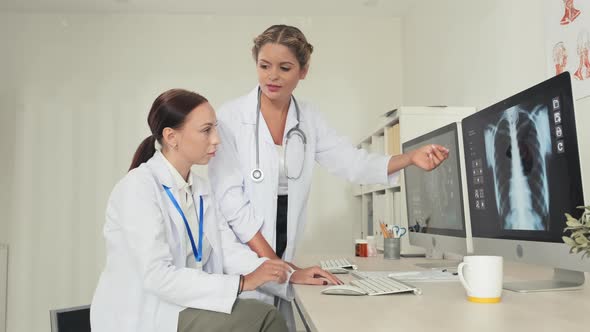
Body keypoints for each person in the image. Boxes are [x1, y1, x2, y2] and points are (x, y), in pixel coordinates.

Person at [208, 24, 449, 330]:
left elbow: (351, 163)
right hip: (242, 246)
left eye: (285, 68)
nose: (272, 76)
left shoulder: (308, 118)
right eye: (264, 66)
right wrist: (282, 269)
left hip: (282, 240)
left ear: (303, 71)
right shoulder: (230, 117)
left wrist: (409, 159)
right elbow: (231, 203)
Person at [90, 89, 338, 332]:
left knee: (259, 314)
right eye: (206, 130)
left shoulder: (201, 189)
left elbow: (228, 252)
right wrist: (242, 283)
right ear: (171, 137)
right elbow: (157, 276)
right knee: (263, 318)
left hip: (185, 306)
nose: (216, 139)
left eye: (215, 128)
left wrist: (289, 274)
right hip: (146, 315)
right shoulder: (138, 187)